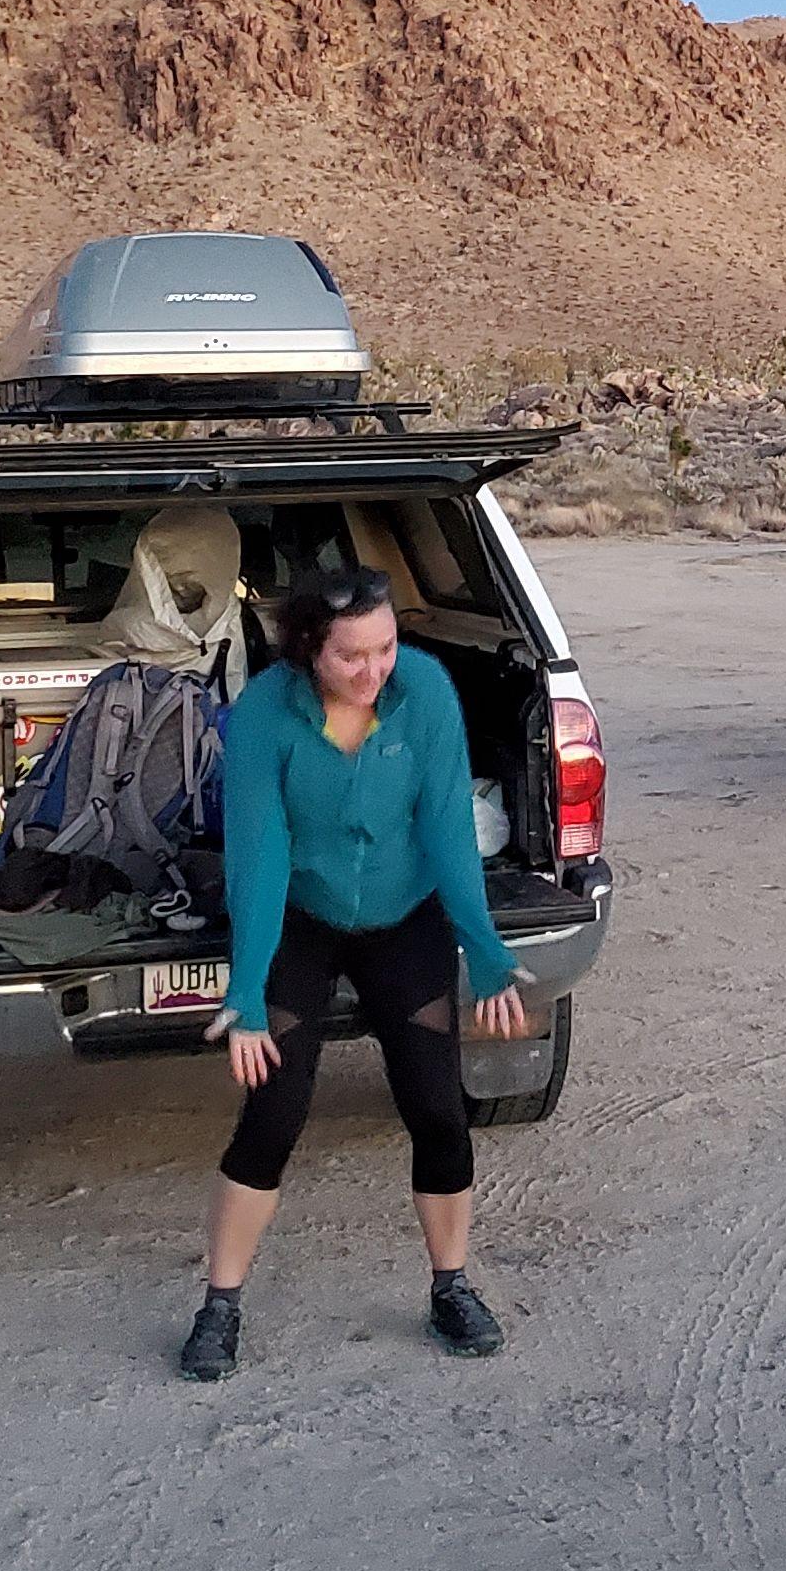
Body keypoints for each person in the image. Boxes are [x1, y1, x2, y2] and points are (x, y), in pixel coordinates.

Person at [178, 559, 531, 1381]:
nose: (375, 670)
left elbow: (448, 825)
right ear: (308, 649)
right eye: (352, 657)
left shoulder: (425, 690)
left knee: (439, 1109)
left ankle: (451, 1286)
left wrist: (485, 951)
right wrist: (248, 994)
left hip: (404, 919)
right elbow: (259, 858)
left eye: (386, 647)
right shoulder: (265, 714)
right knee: (273, 1112)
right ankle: (220, 1305)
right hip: (303, 918)